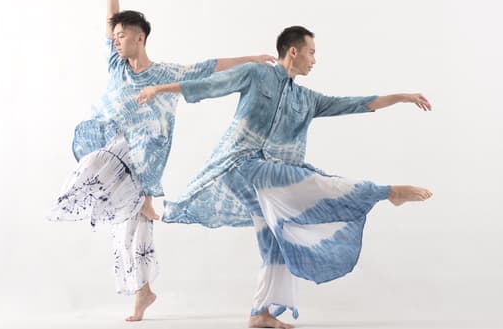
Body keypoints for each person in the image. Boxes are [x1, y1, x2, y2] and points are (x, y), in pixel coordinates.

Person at [137, 25, 433, 329]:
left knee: (276, 238)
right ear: (293, 51)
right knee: (313, 181)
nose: (314, 60)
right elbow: (211, 84)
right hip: (240, 165)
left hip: (268, 174)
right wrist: (158, 89)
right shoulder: (256, 74)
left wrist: (400, 97)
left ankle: (260, 312)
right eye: (311, 52)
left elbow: (357, 103)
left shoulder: (307, 99)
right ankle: (387, 192)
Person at [48, 0, 275, 322]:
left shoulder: (166, 74)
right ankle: (144, 269)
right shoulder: (117, 65)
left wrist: (251, 58)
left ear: (140, 38)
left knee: (129, 216)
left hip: (144, 157)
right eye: (114, 36)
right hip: (116, 146)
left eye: (122, 35)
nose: (116, 40)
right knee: (123, 214)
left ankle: (143, 274)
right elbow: (110, 18)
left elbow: (209, 67)